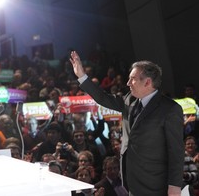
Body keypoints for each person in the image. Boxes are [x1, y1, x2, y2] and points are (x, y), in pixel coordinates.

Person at [70, 51, 184, 195]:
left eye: (132, 79)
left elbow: (176, 152)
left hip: (155, 185)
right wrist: (82, 76)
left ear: (147, 82)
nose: (128, 83)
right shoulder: (129, 99)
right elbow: (103, 98)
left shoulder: (170, 109)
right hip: (131, 182)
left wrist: (174, 185)